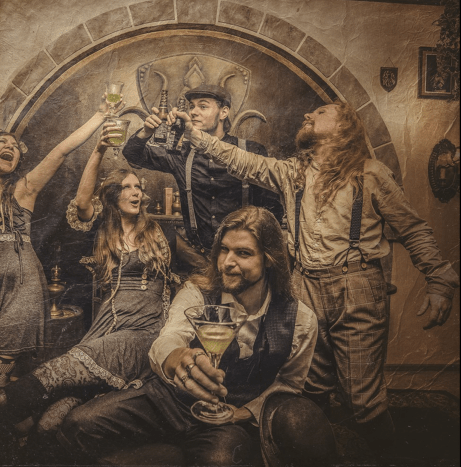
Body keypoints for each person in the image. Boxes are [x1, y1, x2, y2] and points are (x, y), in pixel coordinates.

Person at [173, 99, 460, 449]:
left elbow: (413, 229)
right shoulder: (293, 172)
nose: (308, 114)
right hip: (304, 285)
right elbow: (241, 160)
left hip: (357, 286)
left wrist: (439, 280)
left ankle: (386, 455)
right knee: (310, 388)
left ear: (344, 127)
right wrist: (195, 136)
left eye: (321, 112)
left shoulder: (370, 174)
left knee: (362, 398)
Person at [0, 121, 178, 444]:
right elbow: (82, 203)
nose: (137, 192)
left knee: (13, 375)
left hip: (123, 324)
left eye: (139, 187)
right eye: (127, 187)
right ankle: (11, 437)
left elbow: (59, 152)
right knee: (40, 419)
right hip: (80, 319)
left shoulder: (162, 233)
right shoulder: (105, 230)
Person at [56, 207, 336, 467]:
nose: (227, 262)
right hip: (169, 400)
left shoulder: (300, 319)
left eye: (243, 253)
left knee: (222, 459)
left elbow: (288, 384)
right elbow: (169, 339)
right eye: (223, 250)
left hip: (226, 419)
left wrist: (243, 413)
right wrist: (177, 357)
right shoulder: (197, 293)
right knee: (80, 423)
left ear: (269, 260)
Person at [0, 94, 120, 392]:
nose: (11, 147)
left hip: (21, 288)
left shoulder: (23, 189)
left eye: (15, 146)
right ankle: (29, 413)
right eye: (3, 142)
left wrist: (100, 116)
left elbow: (60, 151)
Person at [122, 84, 283, 269]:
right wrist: (146, 132)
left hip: (243, 260)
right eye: (191, 106)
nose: (193, 112)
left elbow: (272, 212)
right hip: (198, 261)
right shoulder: (182, 154)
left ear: (223, 112)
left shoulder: (251, 151)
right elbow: (132, 154)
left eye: (203, 106)